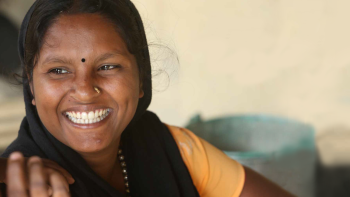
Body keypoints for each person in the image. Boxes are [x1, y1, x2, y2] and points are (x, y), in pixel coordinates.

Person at [0, 0, 295, 196]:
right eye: (59, 70)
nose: (85, 89)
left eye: (107, 66)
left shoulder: (172, 150)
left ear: (141, 79)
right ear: (31, 89)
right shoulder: (17, 186)